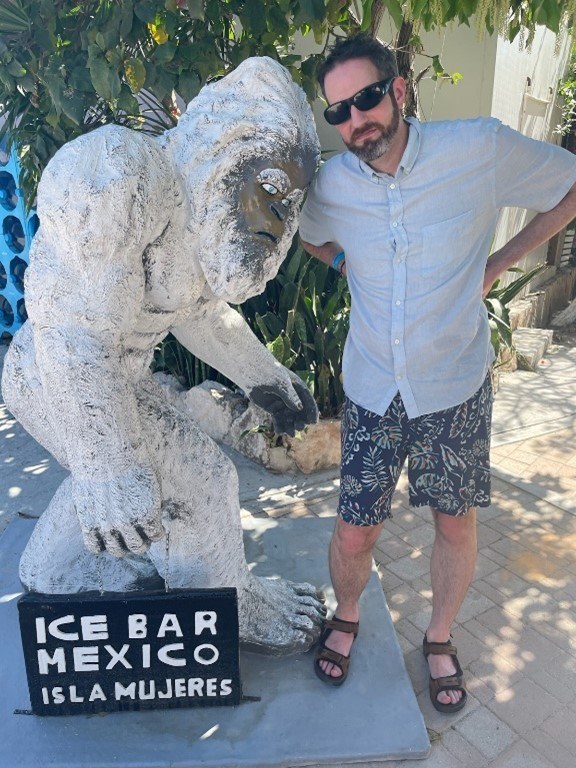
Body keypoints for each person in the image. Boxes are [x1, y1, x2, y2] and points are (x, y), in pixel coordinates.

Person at [2, 56, 326, 656]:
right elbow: (70, 329)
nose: (280, 218)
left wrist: (266, 378)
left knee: (158, 469)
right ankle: (233, 606)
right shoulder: (122, 178)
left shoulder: (200, 219)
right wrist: (109, 465)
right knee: (201, 480)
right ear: (225, 153)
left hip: (116, 376)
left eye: (292, 202)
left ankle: (49, 575)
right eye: (272, 190)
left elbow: (198, 314)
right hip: (56, 371)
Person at [299, 33, 576, 711]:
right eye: (339, 112)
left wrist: (495, 267)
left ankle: (441, 635)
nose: (355, 121)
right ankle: (347, 614)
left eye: (365, 98)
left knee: (454, 523)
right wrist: (344, 265)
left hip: (453, 383)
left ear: (398, 90)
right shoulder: (334, 183)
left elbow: (568, 189)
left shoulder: (476, 149)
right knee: (355, 527)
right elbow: (306, 230)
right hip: (371, 387)